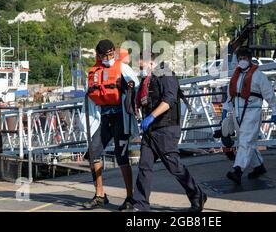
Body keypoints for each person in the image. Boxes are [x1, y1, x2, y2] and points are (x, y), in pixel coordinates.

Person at [130, 55, 207, 212]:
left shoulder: (166, 74)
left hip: (165, 128)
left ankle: (197, 195)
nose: (140, 70)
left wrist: (152, 116)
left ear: (150, 61)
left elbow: (169, 99)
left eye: (141, 66)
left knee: (174, 165)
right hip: (151, 130)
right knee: (144, 166)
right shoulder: (150, 78)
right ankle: (140, 205)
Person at [81, 40, 140, 210]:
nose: (108, 58)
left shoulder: (123, 69)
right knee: (93, 153)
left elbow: (134, 87)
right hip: (103, 119)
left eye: (110, 54)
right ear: (98, 55)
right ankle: (100, 195)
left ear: (114, 52)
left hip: (121, 118)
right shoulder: (94, 72)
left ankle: (130, 197)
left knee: (121, 156)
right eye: (104, 55)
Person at [223, 46, 276, 185]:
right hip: (237, 113)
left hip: (252, 112)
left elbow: (269, 93)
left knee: (245, 141)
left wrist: (275, 111)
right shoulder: (235, 77)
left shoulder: (258, 75)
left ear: (250, 59)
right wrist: (225, 110)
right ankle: (258, 167)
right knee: (247, 142)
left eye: (245, 58)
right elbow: (230, 95)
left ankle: (238, 170)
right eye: (240, 59)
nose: (242, 61)